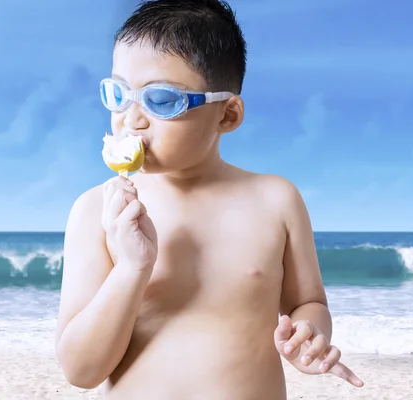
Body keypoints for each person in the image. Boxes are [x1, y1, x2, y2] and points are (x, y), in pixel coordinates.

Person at [54, 0, 364, 398]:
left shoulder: (276, 201)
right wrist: (132, 268)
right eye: (119, 93)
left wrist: (308, 335)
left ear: (227, 115)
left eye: (161, 100)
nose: (131, 119)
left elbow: (308, 303)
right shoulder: (97, 212)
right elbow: (81, 370)